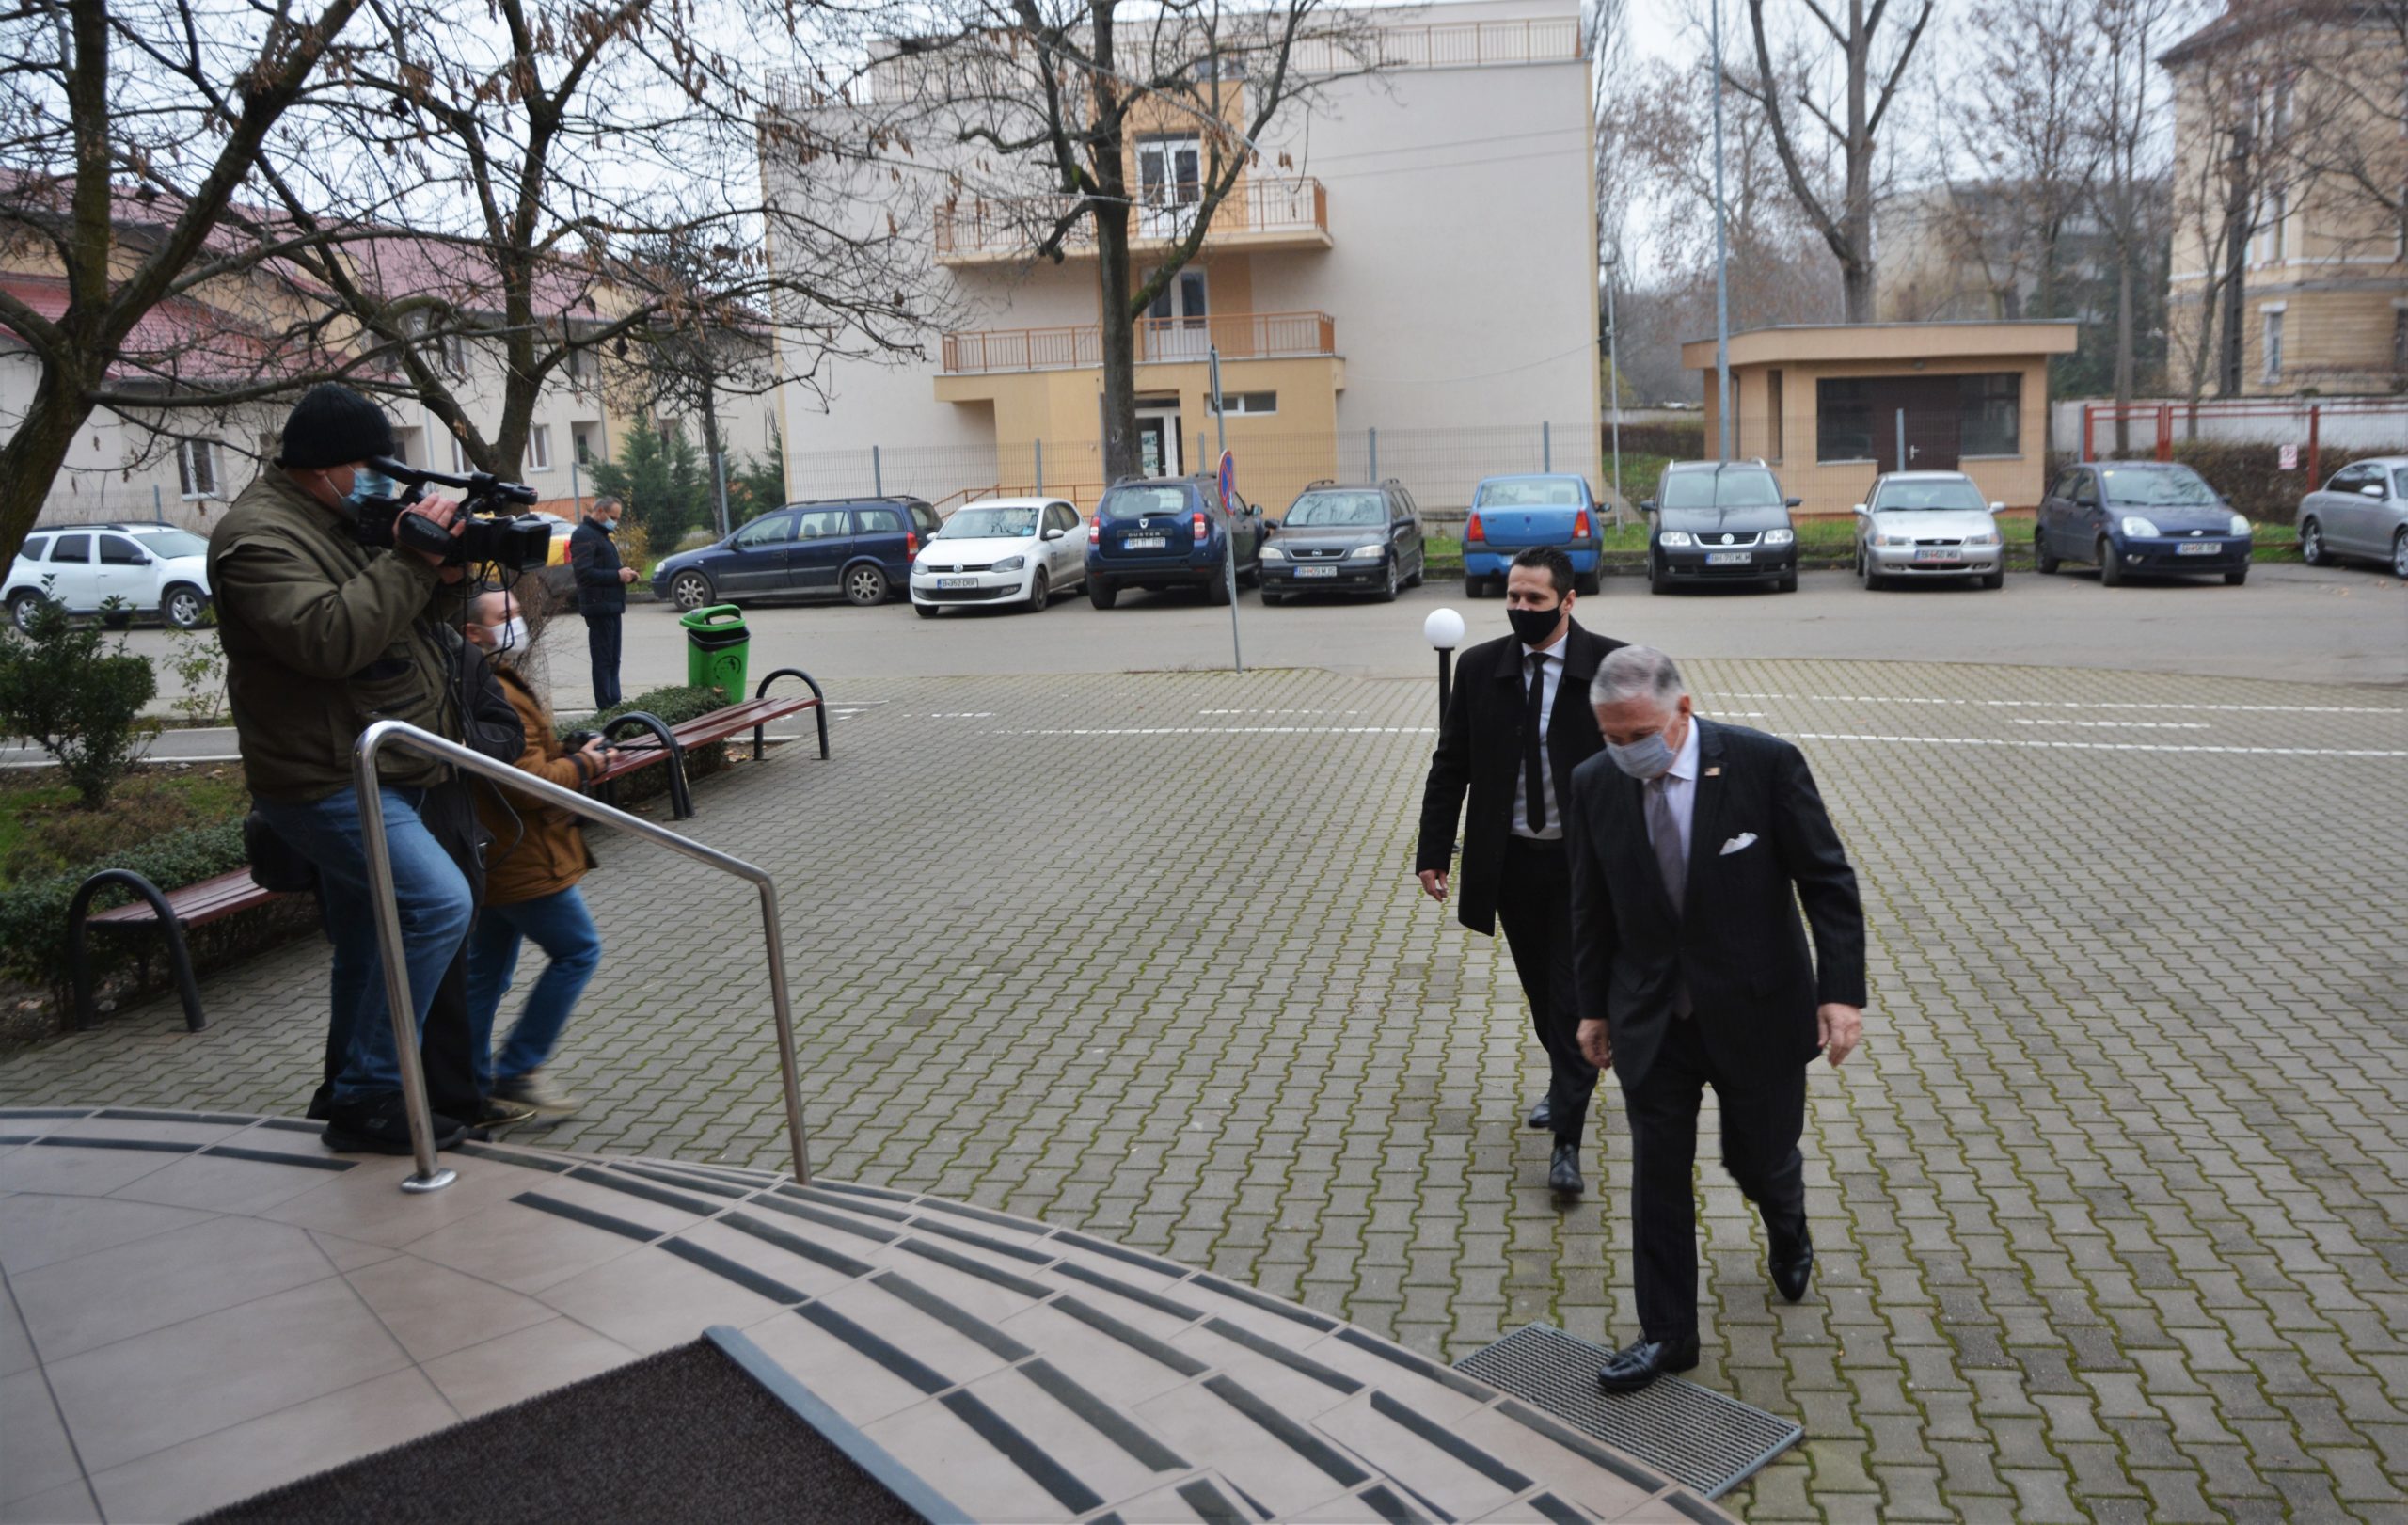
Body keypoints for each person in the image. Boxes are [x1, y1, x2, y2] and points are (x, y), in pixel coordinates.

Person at [1562, 645, 1867, 1392]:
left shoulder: (1764, 764)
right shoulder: (1594, 782)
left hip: (1756, 1008)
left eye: (1639, 733)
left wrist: (1841, 991)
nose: (1624, 749)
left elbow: (1826, 879)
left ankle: (1786, 1222)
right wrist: (1593, 1009)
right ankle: (1667, 1333)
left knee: (1758, 1157)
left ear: (1684, 711)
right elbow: (1590, 905)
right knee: (1656, 1173)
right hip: (1653, 1016)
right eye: (1611, 734)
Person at [209, 383, 481, 1154]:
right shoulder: (257, 539)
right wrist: (411, 560)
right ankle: (368, 1091)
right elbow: (328, 638)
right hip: (320, 777)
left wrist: (438, 577)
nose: (382, 483)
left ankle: (350, 1088)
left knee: (372, 932)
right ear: (329, 466)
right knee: (438, 905)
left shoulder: (332, 516)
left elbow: (386, 621)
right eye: (371, 467)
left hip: (368, 765)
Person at [1416, 545, 1625, 1195]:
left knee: (1572, 995)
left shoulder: (1611, 667)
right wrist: (1432, 850)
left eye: (1535, 599)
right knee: (1544, 997)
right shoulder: (1481, 669)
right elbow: (1452, 764)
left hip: (1584, 867)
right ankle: (1569, 1076)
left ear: (1568, 600)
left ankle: (1567, 1138)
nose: (1520, 609)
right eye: (1513, 597)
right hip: (1510, 865)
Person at [462, 590, 614, 1117]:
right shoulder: (492, 688)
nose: (518, 623)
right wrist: (586, 766)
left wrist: (567, 753)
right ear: (471, 633)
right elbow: (526, 782)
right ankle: (517, 1070)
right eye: (504, 617)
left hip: (498, 855)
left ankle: (467, 1080)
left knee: (486, 973)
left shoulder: (482, 679)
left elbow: (523, 757)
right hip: (523, 857)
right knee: (578, 951)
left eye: (518, 613)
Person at [570, 494, 636, 708]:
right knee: (603, 660)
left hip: (611, 605)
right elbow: (584, 573)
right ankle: (606, 705)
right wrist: (617, 576)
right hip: (598, 607)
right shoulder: (584, 535)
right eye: (613, 517)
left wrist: (625, 574)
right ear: (599, 512)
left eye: (617, 518)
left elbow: (604, 567)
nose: (615, 522)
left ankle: (614, 701)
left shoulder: (600, 534)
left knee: (613, 659)